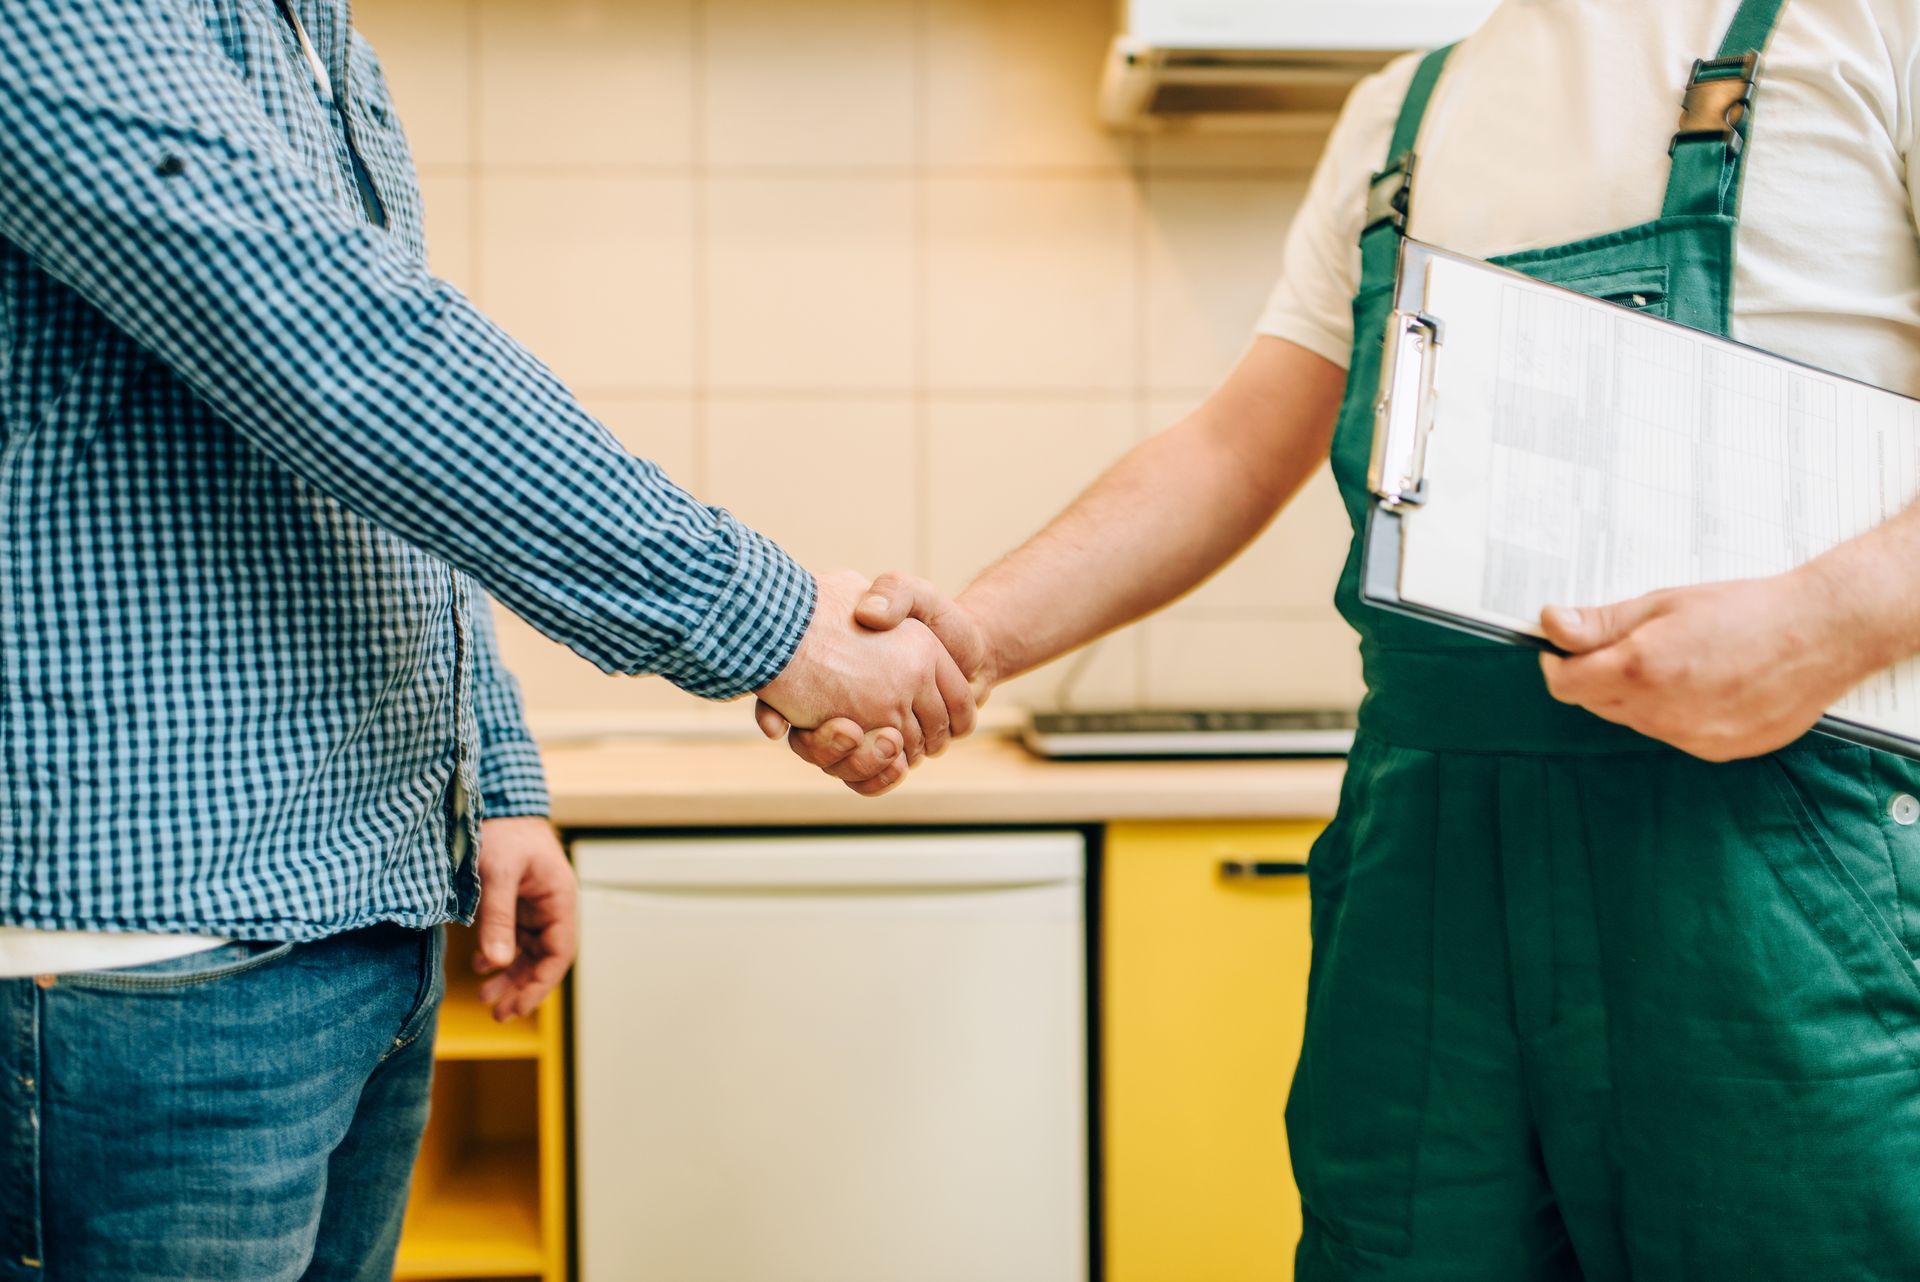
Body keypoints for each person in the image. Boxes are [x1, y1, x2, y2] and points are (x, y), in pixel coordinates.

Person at [773, 0, 1920, 1275]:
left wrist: (1822, 622)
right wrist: (972, 636)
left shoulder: (1871, 30)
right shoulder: (1402, 116)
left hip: (1778, 880)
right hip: (1423, 887)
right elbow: (1233, 446)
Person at [0, 2, 971, 1279]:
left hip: (352, 930)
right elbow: (352, 354)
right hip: (148, 960)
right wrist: (784, 628)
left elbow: (372, 473)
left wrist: (493, 776)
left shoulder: (315, 33)